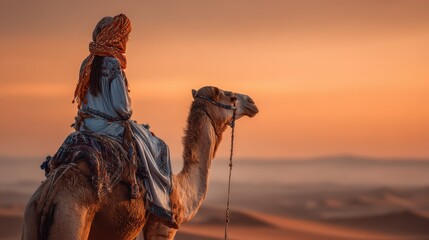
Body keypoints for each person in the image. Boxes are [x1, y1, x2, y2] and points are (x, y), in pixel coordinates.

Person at [72, 14, 174, 226]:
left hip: (86, 126)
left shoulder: (87, 63)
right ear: (115, 37)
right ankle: (158, 205)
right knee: (157, 146)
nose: (127, 41)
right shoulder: (112, 64)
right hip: (110, 128)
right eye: (125, 36)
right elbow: (123, 110)